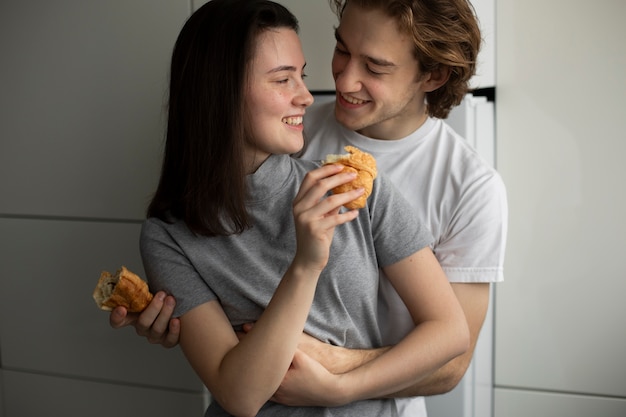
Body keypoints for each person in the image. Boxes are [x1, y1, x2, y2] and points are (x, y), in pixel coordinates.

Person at [112, 0, 507, 415]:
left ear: (433, 75)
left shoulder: (457, 187)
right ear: (219, 91)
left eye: (374, 67)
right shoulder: (175, 229)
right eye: (341, 50)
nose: (329, 86)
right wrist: (182, 325)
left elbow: (451, 354)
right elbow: (237, 389)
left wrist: (338, 380)